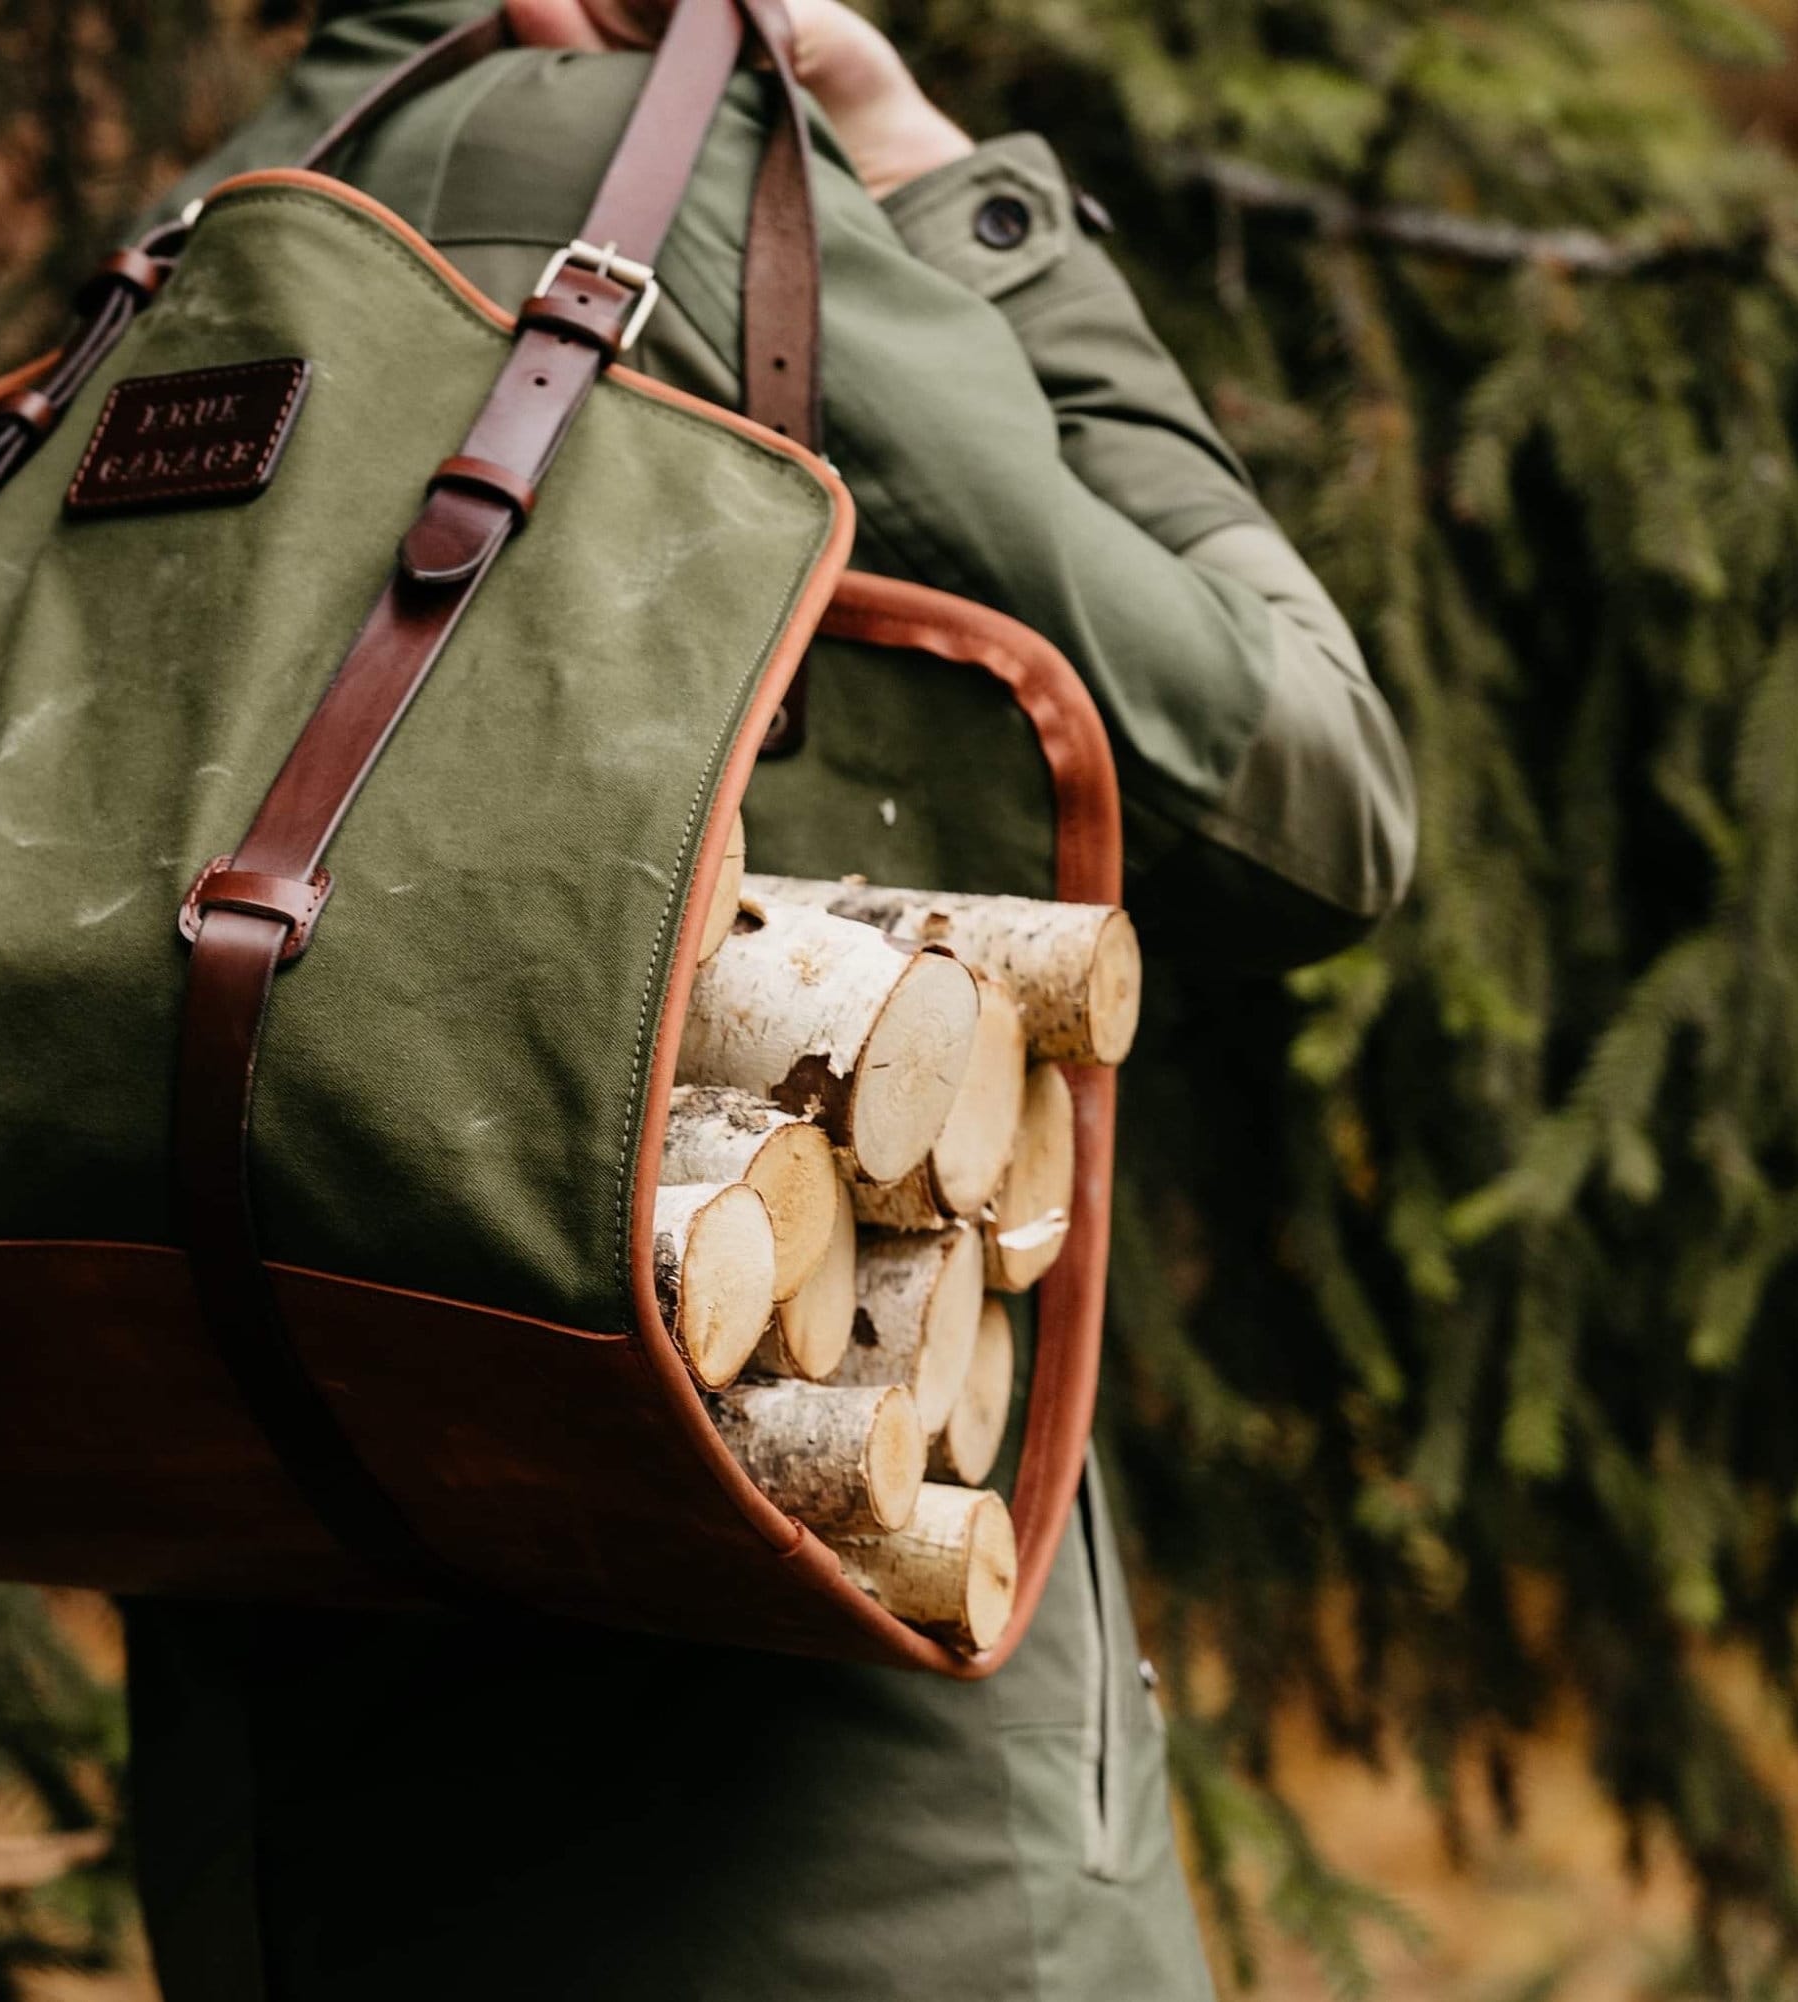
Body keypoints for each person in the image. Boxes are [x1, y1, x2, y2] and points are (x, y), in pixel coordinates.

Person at [121, 2, 1418, 1995]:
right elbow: (1313, 792)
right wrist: (942, 184)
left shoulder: (204, 242)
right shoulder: (696, 207)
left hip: (298, 1828)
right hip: (848, 1856)